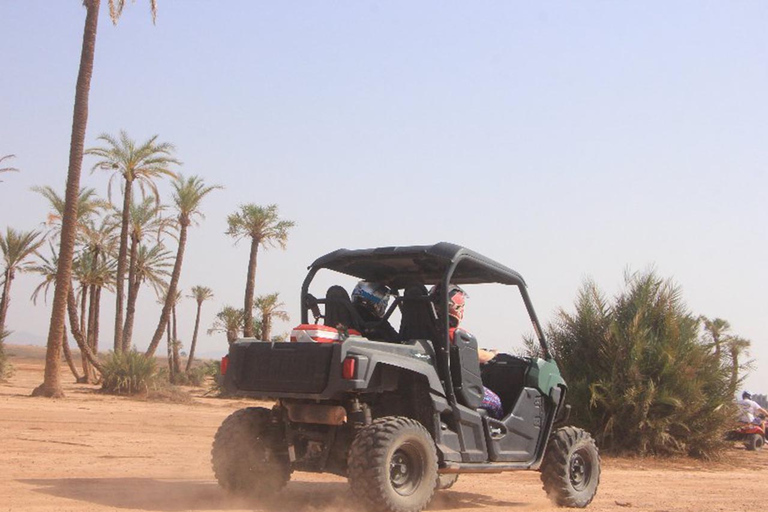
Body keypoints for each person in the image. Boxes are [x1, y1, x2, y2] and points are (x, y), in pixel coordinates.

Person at [432, 284, 503, 419]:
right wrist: (493, 354)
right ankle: (497, 436)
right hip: (458, 390)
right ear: (456, 308)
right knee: (496, 402)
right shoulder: (455, 335)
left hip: (441, 385)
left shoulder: (431, 332)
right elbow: (480, 356)